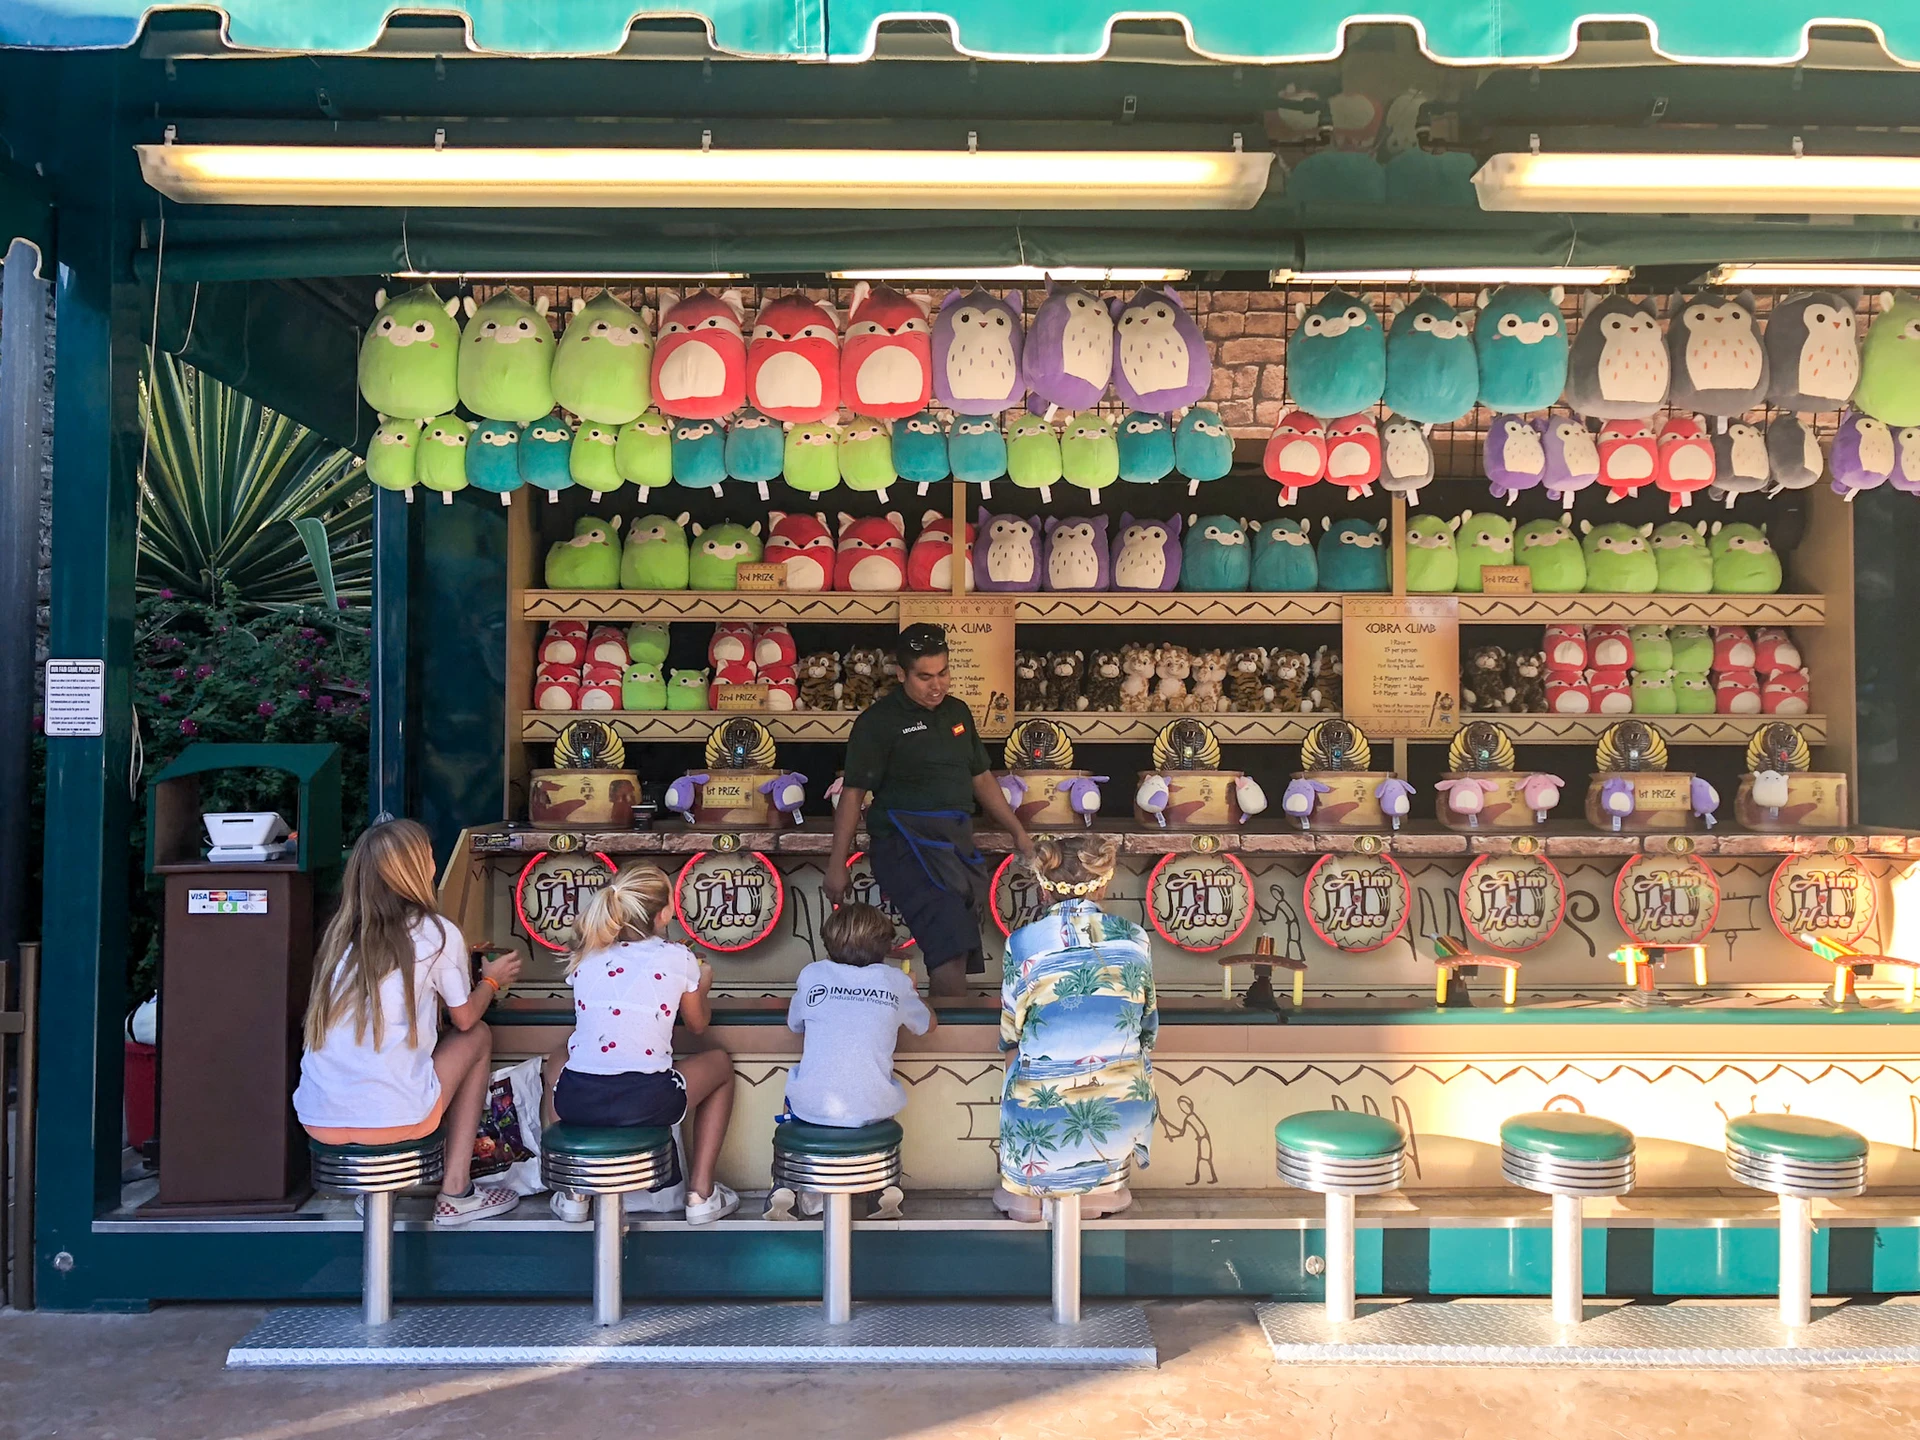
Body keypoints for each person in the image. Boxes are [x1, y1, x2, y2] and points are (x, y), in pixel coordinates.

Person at [293, 818, 524, 1227]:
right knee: (479, 1036)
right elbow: (466, 1017)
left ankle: (374, 1187)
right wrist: (491, 979)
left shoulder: (340, 936)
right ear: (415, 870)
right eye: (430, 858)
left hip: (319, 1120)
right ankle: (457, 1191)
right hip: (397, 1121)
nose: (435, 866)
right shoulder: (437, 932)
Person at [825, 623, 1034, 997]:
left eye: (943, 674)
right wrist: (836, 864)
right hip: (905, 847)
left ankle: (942, 1035)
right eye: (924, 677)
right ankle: (944, 1042)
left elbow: (982, 778)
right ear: (902, 674)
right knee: (949, 949)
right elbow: (853, 794)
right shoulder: (878, 722)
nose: (937, 685)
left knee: (959, 945)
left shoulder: (958, 713)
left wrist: (1018, 832)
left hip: (955, 845)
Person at [545, 864, 739, 1225]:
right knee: (720, 1065)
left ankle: (572, 1191)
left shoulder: (587, 952)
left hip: (578, 1099)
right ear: (665, 913)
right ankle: (701, 1193)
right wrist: (703, 983)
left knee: (558, 1059)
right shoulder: (680, 958)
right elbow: (697, 1025)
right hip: (647, 1101)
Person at [993, 834, 1158, 1224]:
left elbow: (1009, 1031)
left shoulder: (1023, 942)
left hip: (1039, 1112)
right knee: (1130, 1060)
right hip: (1120, 1110)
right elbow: (1148, 1025)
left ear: (1042, 886)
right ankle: (1102, 1186)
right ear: (1104, 882)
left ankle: (1027, 1189)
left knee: (1019, 1061)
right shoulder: (1135, 938)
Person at [766, 902, 934, 1219]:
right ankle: (882, 1188)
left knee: (797, 1094)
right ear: (885, 946)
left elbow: (795, 1024)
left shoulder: (813, 973)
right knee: (876, 1099)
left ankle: (788, 1183)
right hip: (873, 1109)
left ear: (829, 942)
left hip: (812, 1109)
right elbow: (927, 1025)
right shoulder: (893, 981)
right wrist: (911, 991)